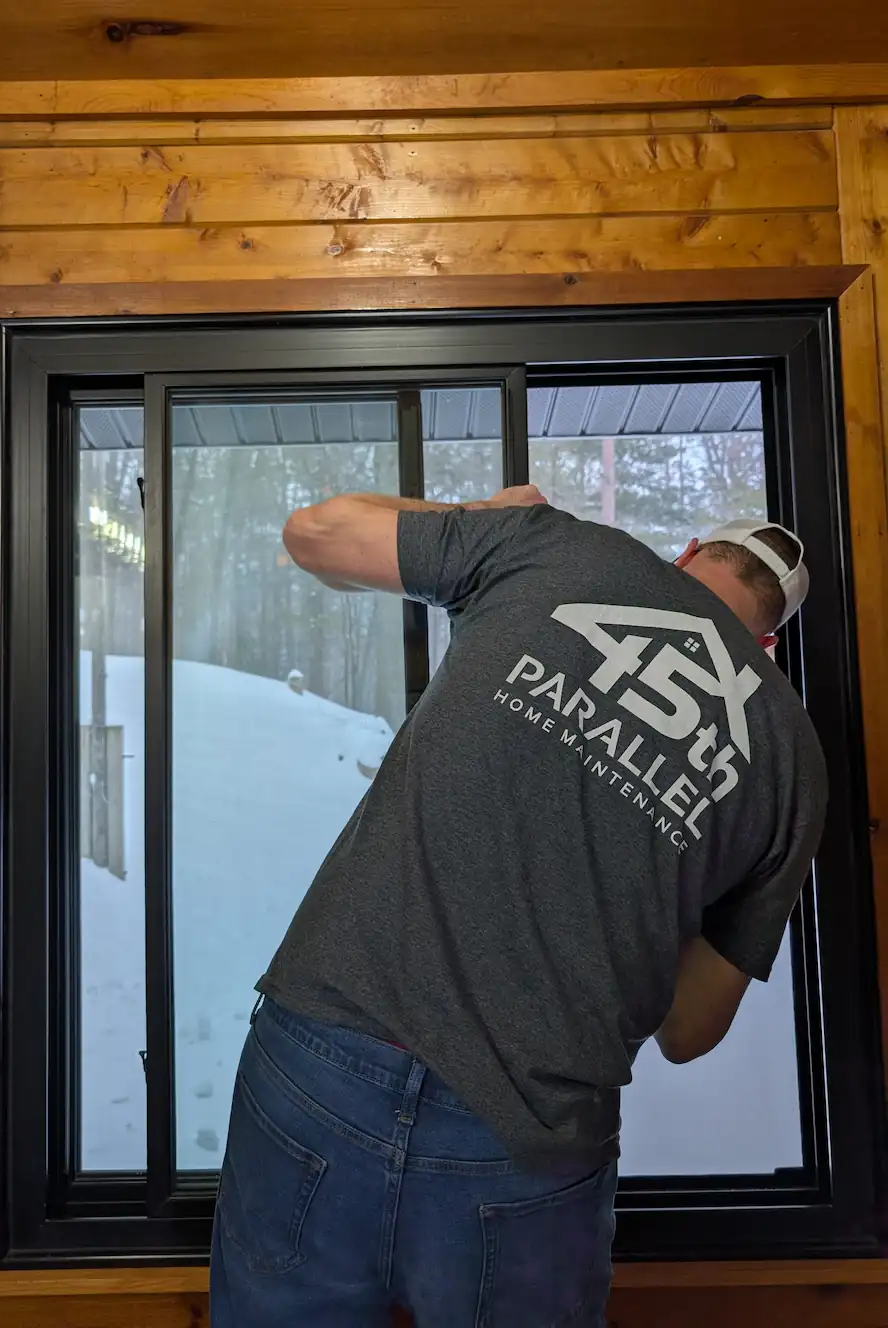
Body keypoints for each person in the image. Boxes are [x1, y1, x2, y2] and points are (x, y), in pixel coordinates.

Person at [210, 485, 828, 1328]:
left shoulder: (565, 551)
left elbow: (311, 533)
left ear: (684, 553)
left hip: (325, 1053)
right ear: (765, 641)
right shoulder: (792, 759)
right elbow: (689, 1031)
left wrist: (487, 510)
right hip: (527, 1134)